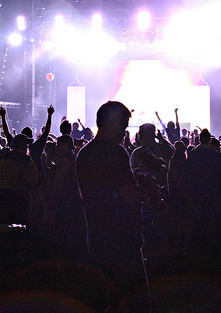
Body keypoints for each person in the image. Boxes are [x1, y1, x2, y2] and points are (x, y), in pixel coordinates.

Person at [76, 101, 147, 310]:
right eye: (123, 126)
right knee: (134, 298)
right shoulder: (115, 152)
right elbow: (127, 193)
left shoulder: (85, 154)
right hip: (122, 237)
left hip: (98, 235)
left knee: (107, 298)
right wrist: (145, 189)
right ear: (113, 123)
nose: (125, 132)